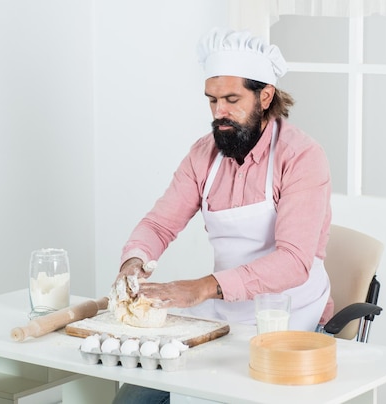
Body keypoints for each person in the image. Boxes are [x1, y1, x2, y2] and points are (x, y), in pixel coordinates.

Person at [112, 27, 333, 404]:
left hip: (290, 314)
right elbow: (159, 224)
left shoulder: (301, 157)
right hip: (223, 310)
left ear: (265, 95)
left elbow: (294, 262)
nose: (220, 113)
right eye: (212, 101)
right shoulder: (204, 155)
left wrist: (200, 287)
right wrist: (134, 261)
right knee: (133, 399)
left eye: (231, 99)